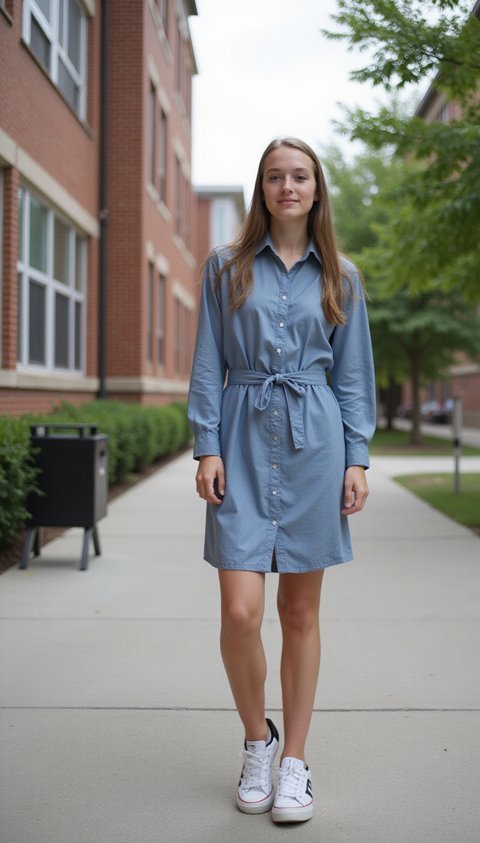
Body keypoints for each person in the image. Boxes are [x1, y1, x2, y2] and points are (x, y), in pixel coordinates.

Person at [188, 137, 376, 824]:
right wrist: (205, 444)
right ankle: (256, 740)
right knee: (239, 611)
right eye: (275, 176)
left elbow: (352, 374)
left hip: (314, 444)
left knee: (299, 612)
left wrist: (356, 456)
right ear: (260, 187)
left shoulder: (341, 276)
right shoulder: (224, 266)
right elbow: (208, 357)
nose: (287, 186)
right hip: (238, 437)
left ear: (316, 187)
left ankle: (294, 759)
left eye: (299, 175)